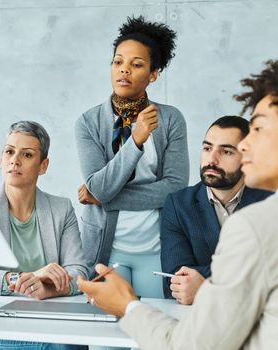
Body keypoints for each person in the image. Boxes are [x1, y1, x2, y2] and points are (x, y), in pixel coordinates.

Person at [77, 59, 278, 349]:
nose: (246, 145)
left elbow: (195, 345)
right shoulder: (89, 122)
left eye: (258, 129)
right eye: (207, 147)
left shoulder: (257, 225)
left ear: (153, 74)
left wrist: (127, 307)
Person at [75, 15, 189, 298]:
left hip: (155, 247)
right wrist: (136, 139)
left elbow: (175, 188)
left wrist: (105, 198)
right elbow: (98, 185)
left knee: (151, 332)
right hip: (104, 248)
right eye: (118, 62)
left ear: (153, 74)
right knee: (104, 338)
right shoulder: (88, 122)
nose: (123, 70)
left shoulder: (171, 119)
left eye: (136, 64)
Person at [0, 121, 89, 350]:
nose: (15, 160)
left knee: (69, 346)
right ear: (1, 160)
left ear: (43, 166)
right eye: (9, 152)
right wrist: (23, 279)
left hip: (52, 323)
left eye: (27, 155)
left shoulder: (61, 209)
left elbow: (79, 273)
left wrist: (48, 289)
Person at [160, 116, 272, 304]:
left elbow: (269, 273)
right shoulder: (178, 204)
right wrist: (243, 275)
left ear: (247, 155)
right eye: (207, 148)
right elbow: (175, 279)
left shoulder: (268, 202)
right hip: (194, 318)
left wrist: (204, 285)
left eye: (226, 152)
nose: (212, 159)